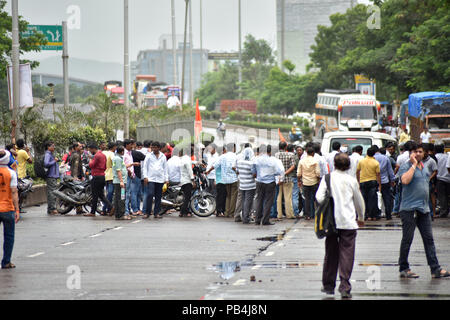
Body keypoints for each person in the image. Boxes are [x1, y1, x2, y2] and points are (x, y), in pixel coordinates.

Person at [397, 142, 449, 279]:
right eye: (415, 152)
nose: (417, 154)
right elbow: (405, 181)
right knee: (407, 239)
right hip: (409, 209)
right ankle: (404, 268)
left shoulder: (425, 167)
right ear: (410, 154)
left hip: (423, 209)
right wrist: (413, 165)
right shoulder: (406, 166)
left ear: (424, 153)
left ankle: (435, 268)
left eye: (420, 151)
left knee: (429, 239)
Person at [316, 153, 365, 299]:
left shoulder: (327, 178)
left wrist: (329, 201)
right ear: (349, 166)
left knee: (331, 253)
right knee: (347, 254)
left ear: (334, 164)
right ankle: (344, 286)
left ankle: (328, 286)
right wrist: (361, 217)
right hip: (348, 223)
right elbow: (359, 201)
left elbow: (319, 197)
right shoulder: (351, 180)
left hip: (331, 222)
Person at [252, 145, 283, 225]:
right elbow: (279, 171)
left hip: (259, 182)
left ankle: (257, 220)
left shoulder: (257, 159)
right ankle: (265, 220)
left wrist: (257, 174)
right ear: (270, 152)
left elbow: (253, 170)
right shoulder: (273, 161)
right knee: (268, 201)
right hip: (270, 183)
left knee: (259, 200)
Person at [0, 150, 20, 269]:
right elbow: (14, 192)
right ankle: (6, 261)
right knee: (9, 236)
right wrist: (17, 210)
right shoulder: (11, 173)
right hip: (7, 209)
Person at [206, 143, 238, 218]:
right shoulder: (235, 156)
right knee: (233, 196)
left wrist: (208, 171)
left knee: (228, 196)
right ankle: (231, 213)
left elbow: (215, 165)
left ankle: (226, 212)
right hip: (234, 178)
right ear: (233, 148)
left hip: (225, 179)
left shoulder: (223, 156)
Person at [142, 141, 169, 219]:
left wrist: (166, 178)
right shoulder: (149, 156)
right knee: (150, 194)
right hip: (151, 178)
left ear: (159, 148)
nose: (153, 149)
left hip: (160, 179)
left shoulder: (163, 156)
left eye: (155, 147)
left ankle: (156, 213)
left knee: (158, 196)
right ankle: (147, 212)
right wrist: (145, 177)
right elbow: (145, 167)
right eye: (152, 147)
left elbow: (165, 168)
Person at [86, 143, 112, 217]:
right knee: (101, 195)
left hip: (96, 176)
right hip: (102, 176)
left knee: (95, 195)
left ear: (92, 149)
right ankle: (111, 207)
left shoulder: (97, 155)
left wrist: (91, 159)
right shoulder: (103, 155)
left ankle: (92, 212)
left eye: (90, 150)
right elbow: (105, 166)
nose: (90, 151)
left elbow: (91, 165)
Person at [357, 146, 381, 221]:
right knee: (372, 199)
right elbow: (378, 174)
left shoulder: (361, 161)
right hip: (372, 182)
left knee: (364, 199)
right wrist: (380, 184)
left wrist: (358, 181)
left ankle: (365, 215)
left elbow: (357, 171)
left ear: (366, 153)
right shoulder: (376, 163)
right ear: (374, 154)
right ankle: (371, 215)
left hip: (363, 182)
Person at [297, 147, 321, 220]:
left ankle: (307, 215)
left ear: (306, 152)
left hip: (305, 182)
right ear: (313, 153)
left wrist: (299, 181)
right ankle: (315, 214)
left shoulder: (301, 161)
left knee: (307, 199)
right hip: (314, 182)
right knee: (315, 199)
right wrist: (318, 181)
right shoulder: (315, 161)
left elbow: (298, 173)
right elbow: (318, 173)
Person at [275, 142, 296, 220]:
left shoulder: (276, 155)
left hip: (278, 179)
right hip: (287, 178)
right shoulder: (290, 155)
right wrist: (285, 173)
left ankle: (279, 215)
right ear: (286, 147)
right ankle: (289, 214)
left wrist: (280, 175)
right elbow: (293, 166)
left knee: (279, 196)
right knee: (288, 197)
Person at [373, 145, 395, 220]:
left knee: (375, 198)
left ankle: (376, 214)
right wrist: (392, 180)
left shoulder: (373, 158)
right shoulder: (386, 158)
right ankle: (388, 215)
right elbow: (390, 170)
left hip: (375, 181)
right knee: (387, 198)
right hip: (385, 181)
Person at [236, 147, 256, 224]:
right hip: (250, 185)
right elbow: (254, 174)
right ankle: (246, 218)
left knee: (244, 201)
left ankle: (244, 216)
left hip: (242, 184)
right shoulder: (251, 163)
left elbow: (237, 171)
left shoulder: (239, 162)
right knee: (248, 202)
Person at [112, 146, 130, 220]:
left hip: (118, 181)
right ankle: (121, 214)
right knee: (121, 198)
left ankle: (118, 214)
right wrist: (121, 181)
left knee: (117, 198)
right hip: (120, 182)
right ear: (122, 152)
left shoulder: (116, 158)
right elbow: (118, 170)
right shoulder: (118, 159)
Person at [43, 142, 60, 215]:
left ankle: (50, 209)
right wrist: (54, 161)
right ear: (48, 147)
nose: (54, 147)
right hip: (51, 176)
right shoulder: (47, 154)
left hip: (53, 176)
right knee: (52, 192)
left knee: (52, 192)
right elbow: (46, 164)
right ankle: (52, 209)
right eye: (52, 146)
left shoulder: (50, 154)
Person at [422, 144, 438, 218]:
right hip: (420, 182)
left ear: (427, 152)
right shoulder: (419, 160)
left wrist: (430, 178)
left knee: (428, 199)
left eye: (423, 152)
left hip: (428, 182)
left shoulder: (431, 161)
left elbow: (435, 171)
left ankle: (431, 214)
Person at [435, 144, 450, 218]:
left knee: (442, 196)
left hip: (440, 179)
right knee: (447, 196)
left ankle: (444, 211)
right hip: (448, 178)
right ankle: (446, 210)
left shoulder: (436, 157)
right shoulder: (447, 156)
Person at [131, 144, 146, 215]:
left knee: (136, 193)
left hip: (133, 175)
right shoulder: (136, 153)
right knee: (135, 193)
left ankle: (136, 209)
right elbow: (145, 157)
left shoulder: (127, 153)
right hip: (136, 175)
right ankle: (135, 209)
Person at [179, 148, 195, 217]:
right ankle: (182, 211)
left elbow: (191, 162)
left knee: (185, 197)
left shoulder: (183, 158)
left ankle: (185, 211)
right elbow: (189, 169)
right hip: (187, 180)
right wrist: (192, 179)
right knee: (187, 197)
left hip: (182, 180)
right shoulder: (187, 159)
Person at [102, 142, 117, 215]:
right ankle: (106, 208)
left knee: (108, 192)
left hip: (105, 173)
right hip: (111, 174)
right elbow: (115, 163)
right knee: (110, 193)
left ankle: (106, 208)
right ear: (114, 147)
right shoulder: (112, 154)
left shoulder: (104, 153)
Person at [292, 145, 304, 218]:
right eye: (298, 150)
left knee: (300, 195)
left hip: (301, 178)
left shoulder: (303, 158)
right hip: (297, 178)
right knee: (296, 195)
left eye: (300, 150)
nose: (299, 151)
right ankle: (296, 212)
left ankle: (300, 211)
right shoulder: (295, 158)